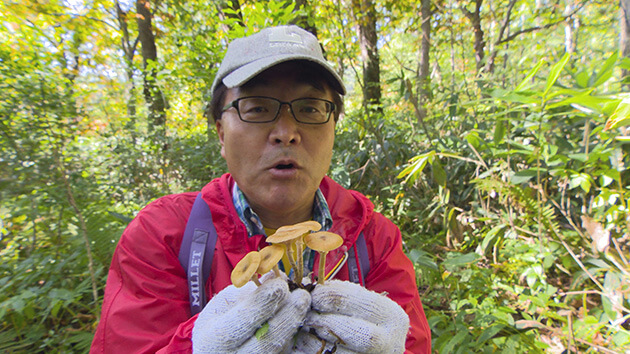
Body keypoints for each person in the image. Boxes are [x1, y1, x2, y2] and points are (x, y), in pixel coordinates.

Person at [91, 25, 431, 353]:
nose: (286, 132)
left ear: (334, 128)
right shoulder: (162, 235)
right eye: (257, 108)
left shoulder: (374, 239)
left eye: (310, 108)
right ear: (221, 133)